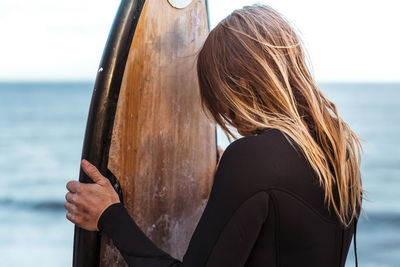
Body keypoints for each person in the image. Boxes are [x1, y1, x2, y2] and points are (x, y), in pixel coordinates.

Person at [65, 4, 364, 267]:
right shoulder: (338, 151)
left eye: (224, 102)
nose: (227, 116)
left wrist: (110, 216)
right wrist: (234, 183)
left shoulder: (251, 161)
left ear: (243, 87)